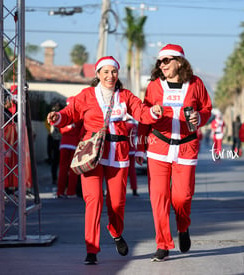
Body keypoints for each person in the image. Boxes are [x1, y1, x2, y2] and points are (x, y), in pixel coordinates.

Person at [47, 56, 163, 265]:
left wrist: (153, 112)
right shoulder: (86, 95)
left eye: (114, 72)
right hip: (92, 154)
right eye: (106, 72)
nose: (110, 76)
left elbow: (142, 113)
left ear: (118, 74)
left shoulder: (126, 96)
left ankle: (115, 232)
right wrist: (58, 118)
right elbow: (70, 113)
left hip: (118, 154)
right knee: (94, 201)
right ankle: (92, 249)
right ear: (98, 74)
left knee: (117, 203)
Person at [136, 44, 212, 261]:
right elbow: (144, 115)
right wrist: (140, 147)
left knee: (182, 197)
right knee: (158, 199)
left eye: (167, 60)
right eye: (160, 61)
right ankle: (163, 245)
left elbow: (207, 108)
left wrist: (200, 117)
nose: (163, 65)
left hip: (186, 148)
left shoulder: (195, 84)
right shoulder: (153, 86)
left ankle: (183, 225)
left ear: (180, 62)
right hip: (158, 148)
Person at [56, 96, 83, 198]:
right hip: (74, 144)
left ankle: (60, 192)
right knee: (73, 170)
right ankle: (71, 192)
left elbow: (60, 128)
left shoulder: (63, 114)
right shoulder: (79, 115)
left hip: (64, 143)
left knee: (62, 168)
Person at [125, 115, 139, 196]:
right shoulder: (135, 125)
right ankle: (134, 189)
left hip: (124, 151)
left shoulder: (126, 125)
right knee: (132, 171)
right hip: (132, 150)